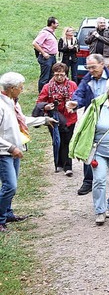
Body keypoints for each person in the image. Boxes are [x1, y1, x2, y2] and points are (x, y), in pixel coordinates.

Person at [69, 77, 109, 225]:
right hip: (99, 152)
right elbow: (84, 126)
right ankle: (100, 210)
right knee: (99, 180)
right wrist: (80, 147)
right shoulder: (97, 105)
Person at [0, 72, 57, 232]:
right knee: (10, 186)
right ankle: (0, 218)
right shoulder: (1, 105)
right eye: (20, 87)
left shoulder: (12, 102)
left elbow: (21, 120)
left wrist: (44, 120)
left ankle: (8, 213)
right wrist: (11, 147)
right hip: (4, 152)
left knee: (11, 184)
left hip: (13, 150)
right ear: (11, 88)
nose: (22, 90)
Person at [66, 54, 109, 196]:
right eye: (88, 67)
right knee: (89, 147)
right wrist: (75, 102)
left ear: (102, 64)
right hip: (93, 119)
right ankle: (88, 180)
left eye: (93, 67)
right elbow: (80, 94)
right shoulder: (87, 78)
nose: (90, 70)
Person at [35, 63, 78, 176]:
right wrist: (46, 106)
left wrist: (74, 105)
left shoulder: (72, 85)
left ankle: (68, 167)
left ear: (66, 74)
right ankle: (59, 162)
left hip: (70, 118)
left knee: (66, 141)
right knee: (57, 141)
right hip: (54, 118)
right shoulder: (47, 87)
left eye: (62, 75)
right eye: (57, 74)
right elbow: (39, 102)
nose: (59, 77)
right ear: (53, 74)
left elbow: (78, 99)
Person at [33, 16, 59, 92]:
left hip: (52, 57)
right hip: (46, 58)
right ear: (52, 24)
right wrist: (44, 53)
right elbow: (35, 43)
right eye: (57, 23)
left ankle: (49, 92)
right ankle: (41, 93)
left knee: (51, 76)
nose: (58, 25)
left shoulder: (52, 32)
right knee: (45, 77)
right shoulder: (45, 33)